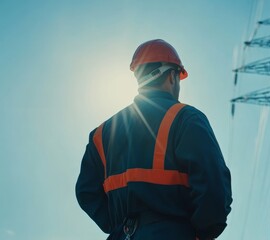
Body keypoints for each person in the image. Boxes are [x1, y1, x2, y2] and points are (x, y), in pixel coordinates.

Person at [76, 39, 232, 240]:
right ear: (172, 77)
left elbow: (86, 192)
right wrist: (201, 231)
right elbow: (214, 188)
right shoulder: (186, 118)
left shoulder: (101, 133)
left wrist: (118, 225)